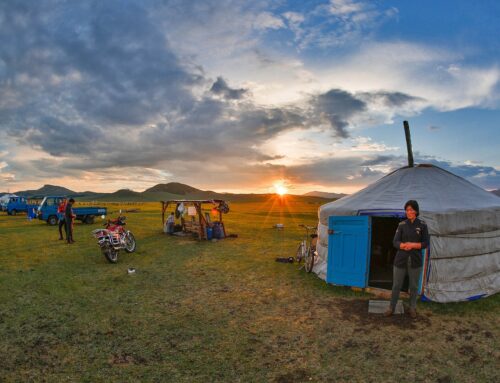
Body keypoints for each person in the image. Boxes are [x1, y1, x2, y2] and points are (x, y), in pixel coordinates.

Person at [385, 200, 429, 319]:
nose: (408, 212)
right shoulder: (402, 225)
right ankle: (391, 307)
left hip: (415, 260)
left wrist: (413, 245)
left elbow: (425, 243)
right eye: (407, 210)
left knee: (414, 286)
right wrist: (403, 245)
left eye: (411, 209)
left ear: (416, 211)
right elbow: (395, 242)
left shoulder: (422, 225)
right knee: (396, 285)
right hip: (401, 259)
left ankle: (412, 308)